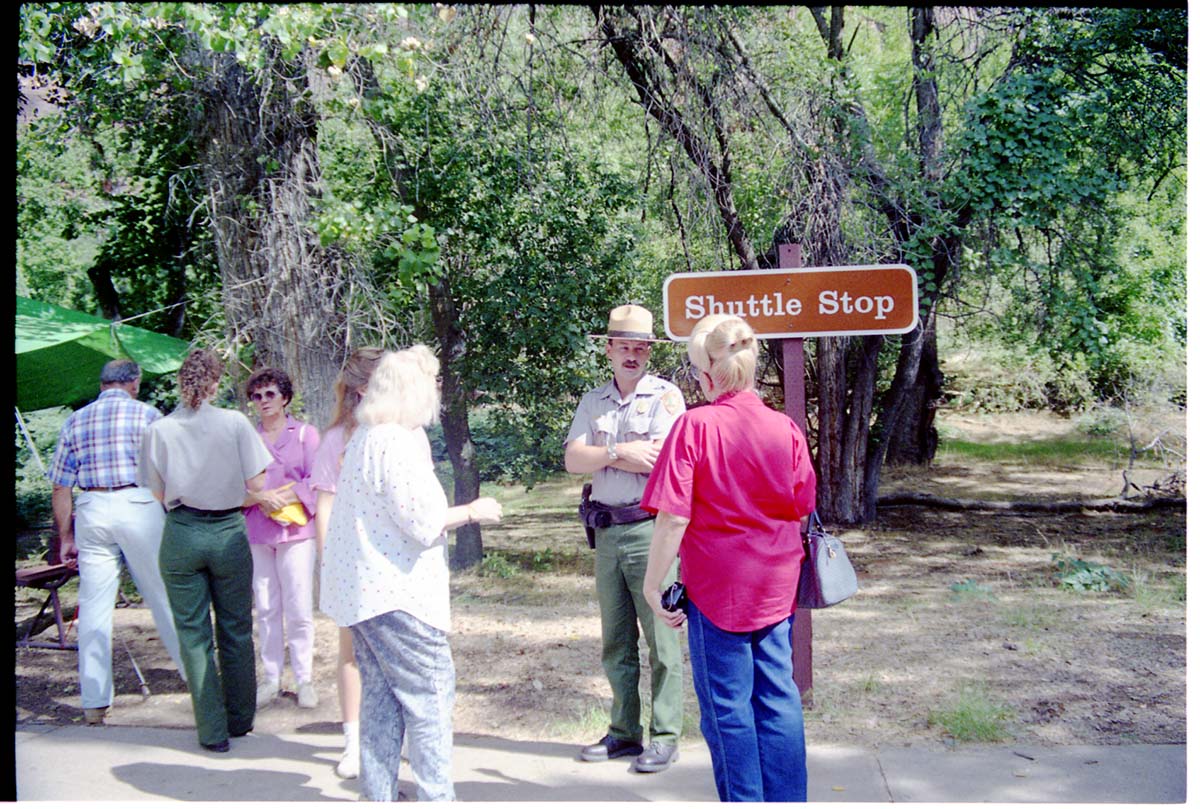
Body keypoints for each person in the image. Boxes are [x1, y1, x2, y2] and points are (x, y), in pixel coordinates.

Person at [640, 314, 817, 802]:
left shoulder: (694, 426)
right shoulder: (785, 428)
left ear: (708, 374)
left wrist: (653, 587)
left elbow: (672, 518)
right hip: (776, 587)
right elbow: (802, 506)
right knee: (778, 699)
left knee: (726, 708)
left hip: (717, 591)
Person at [320, 346, 502, 801]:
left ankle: (377, 794)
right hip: (397, 594)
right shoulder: (396, 442)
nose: (435, 397)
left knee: (382, 702)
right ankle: (437, 797)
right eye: (431, 387)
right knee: (431, 700)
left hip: (363, 595)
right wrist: (474, 511)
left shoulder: (363, 436)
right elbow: (423, 521)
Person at [564, 303, 686, 773]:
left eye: (641, 347)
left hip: (650, 530)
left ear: (648, 353)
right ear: (609, 349)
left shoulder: (665, 398)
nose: (632, 354)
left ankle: (665, 735)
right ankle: (623, 733)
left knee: (662, 639)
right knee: (615, 641)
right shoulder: (593, 400)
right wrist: (618, 450)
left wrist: (601, 455)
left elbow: (660, 459)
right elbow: (573, 460)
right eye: (625, 346)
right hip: (606, 532)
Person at [139, 349, 273, 753]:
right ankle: (240, 718)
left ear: (183, 382)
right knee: (235, 628)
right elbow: (259, 484)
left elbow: (157, 492)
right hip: (229, 531)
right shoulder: (235, 423)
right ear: (215, 383)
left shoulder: (159, 430)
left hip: (181, 532)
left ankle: (212, 731)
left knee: (194, 637)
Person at [47, 358, 186, 726]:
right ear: (134, 383)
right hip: (138, 502)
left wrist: (65, 537)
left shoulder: (75, 421)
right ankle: (196, 677)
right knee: (163, 595)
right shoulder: (148, 415)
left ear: (103, 384)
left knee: (93, 608)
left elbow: (61, 485)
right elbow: (169, 472)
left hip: (92, 506)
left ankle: (94, 702)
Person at [311, 347, 384, 778]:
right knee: (351, 652)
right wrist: (329, 563)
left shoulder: (404, 433)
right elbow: (325, 506)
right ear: (363, 389)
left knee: (398, 654)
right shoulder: (336, 439)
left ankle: (398, 735)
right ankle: (354, 743)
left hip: (396, 563)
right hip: (353, 562)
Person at [243, 367, 321, 710]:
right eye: (257, 396)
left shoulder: (306, 435)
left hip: (296, 532)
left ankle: (305, 678)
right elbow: (235, 488)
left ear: (285, 398)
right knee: (266, 606)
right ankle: (271, 677)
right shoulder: (246, 438)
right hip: (258, 532)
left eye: (270, 394)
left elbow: (318, 482)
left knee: (299, 606)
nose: (263, 402)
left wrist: (285, 498)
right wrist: (262, 498)